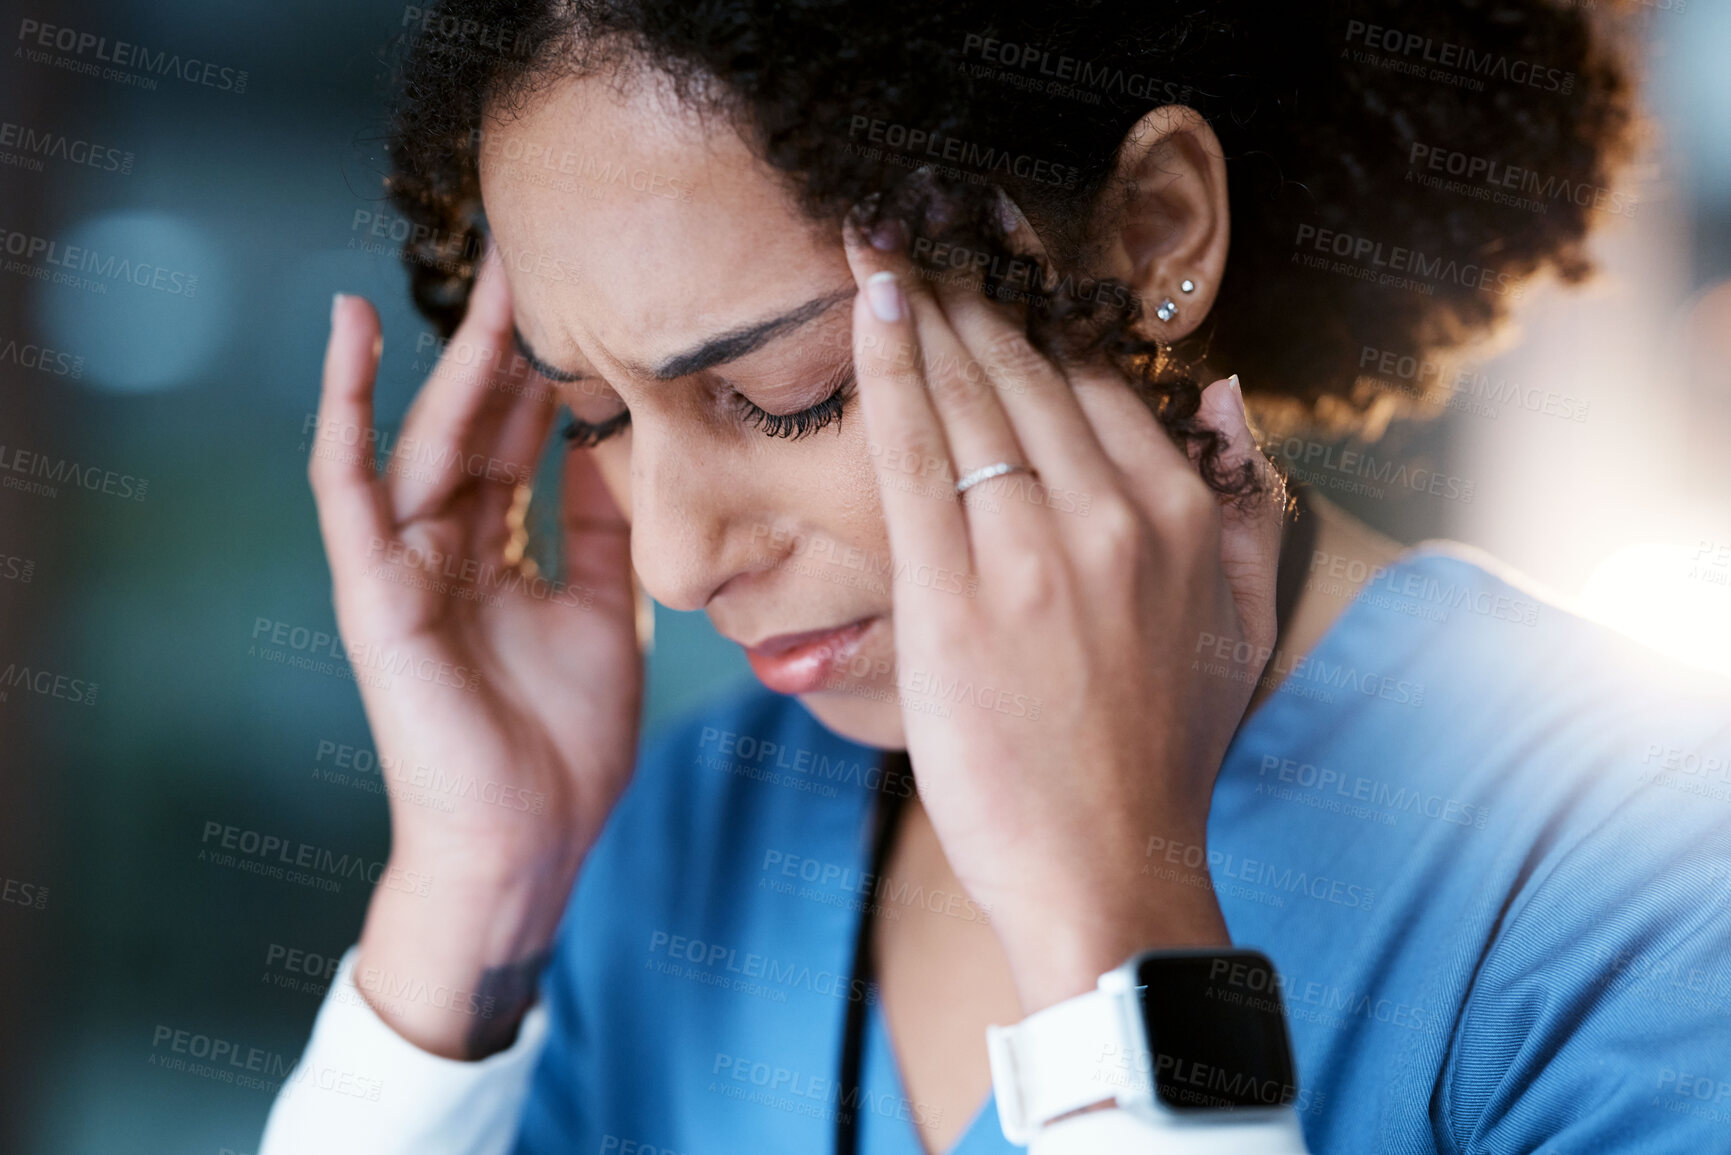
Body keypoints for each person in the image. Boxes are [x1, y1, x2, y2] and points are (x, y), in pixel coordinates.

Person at [263, 1, 1731, 1152]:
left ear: (1155, 229)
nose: (674, 558)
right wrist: (468, 892)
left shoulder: (1648, 877)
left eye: (792, 390)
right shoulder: (688, 835)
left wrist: (1110, 936)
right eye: (598, 417)